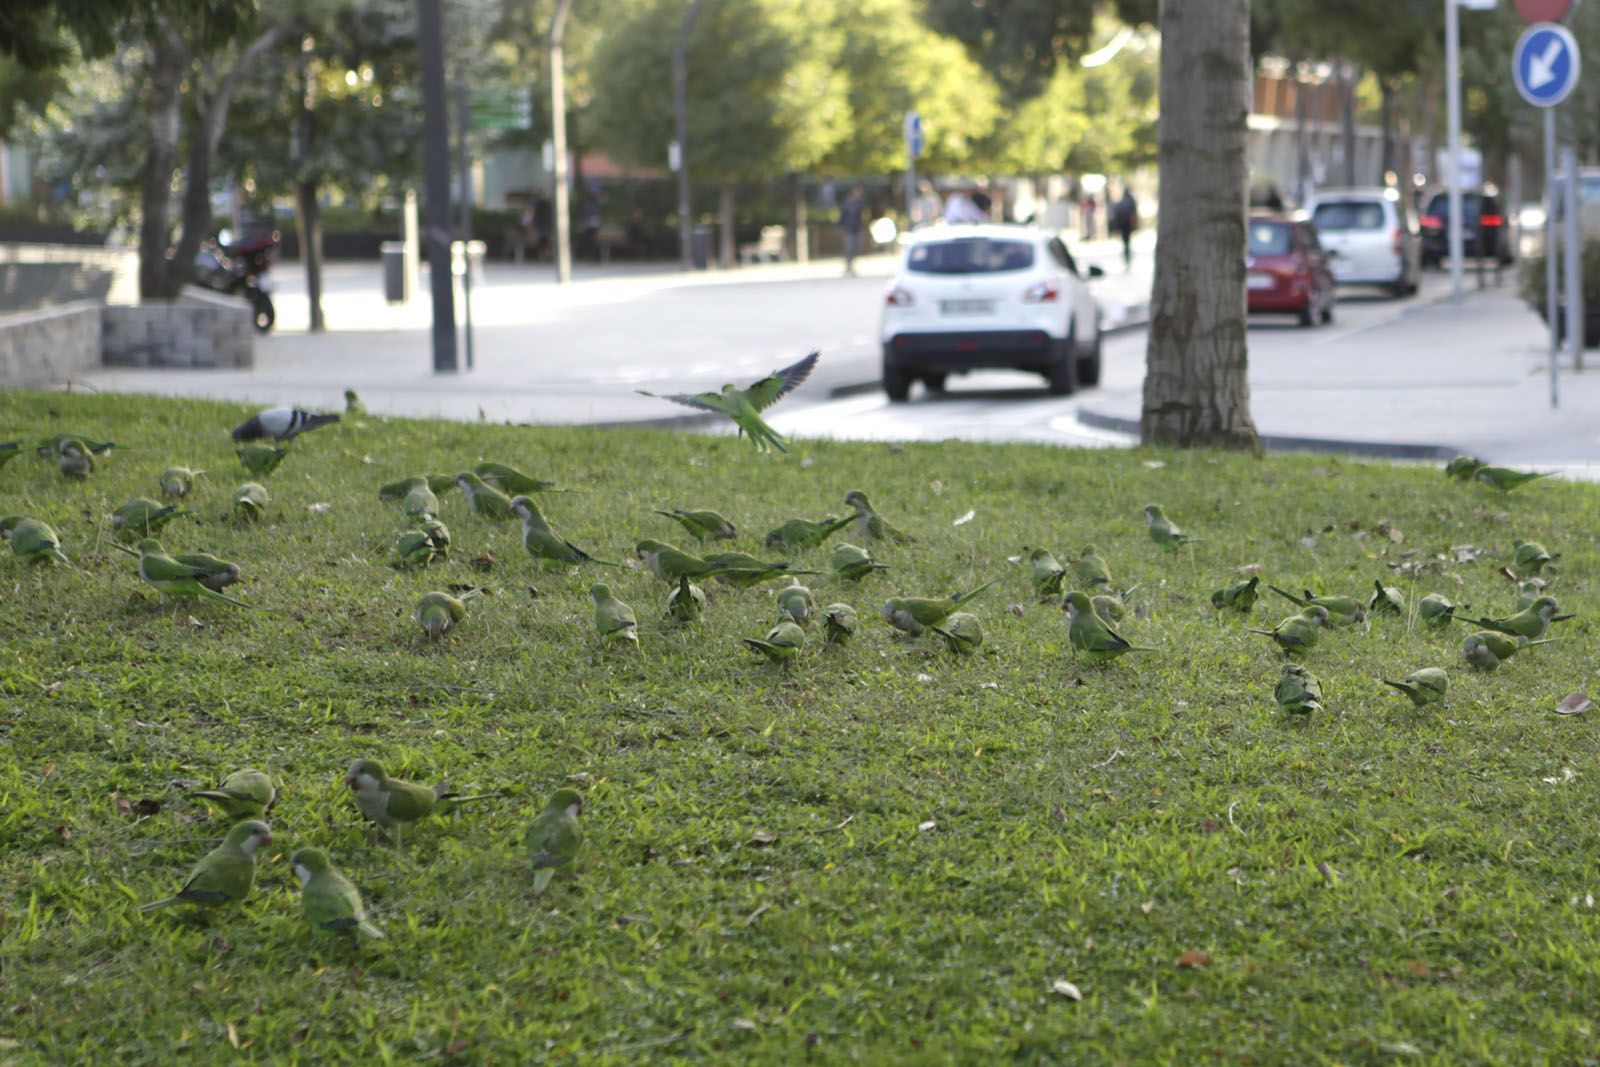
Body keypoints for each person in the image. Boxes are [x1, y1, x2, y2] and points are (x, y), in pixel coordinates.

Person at [839, 185, 865, 276]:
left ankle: (851, 266)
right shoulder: (847, 203)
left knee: (855, 248)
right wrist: (842, 228)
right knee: (849, 248)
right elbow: (843, 217)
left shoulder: (860, 203)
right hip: (848, 229)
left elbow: (861, 217)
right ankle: (848, 267)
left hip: (856, 228)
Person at [1110, 187, 1138, 269]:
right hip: (1128, 225)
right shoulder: (1131, 202)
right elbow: (1134, 214)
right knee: (1127, 242)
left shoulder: (1121, 203)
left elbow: (1115, 215)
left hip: (1122, 225)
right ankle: (1127, 257)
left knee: (1125, 242)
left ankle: (1127, 257)